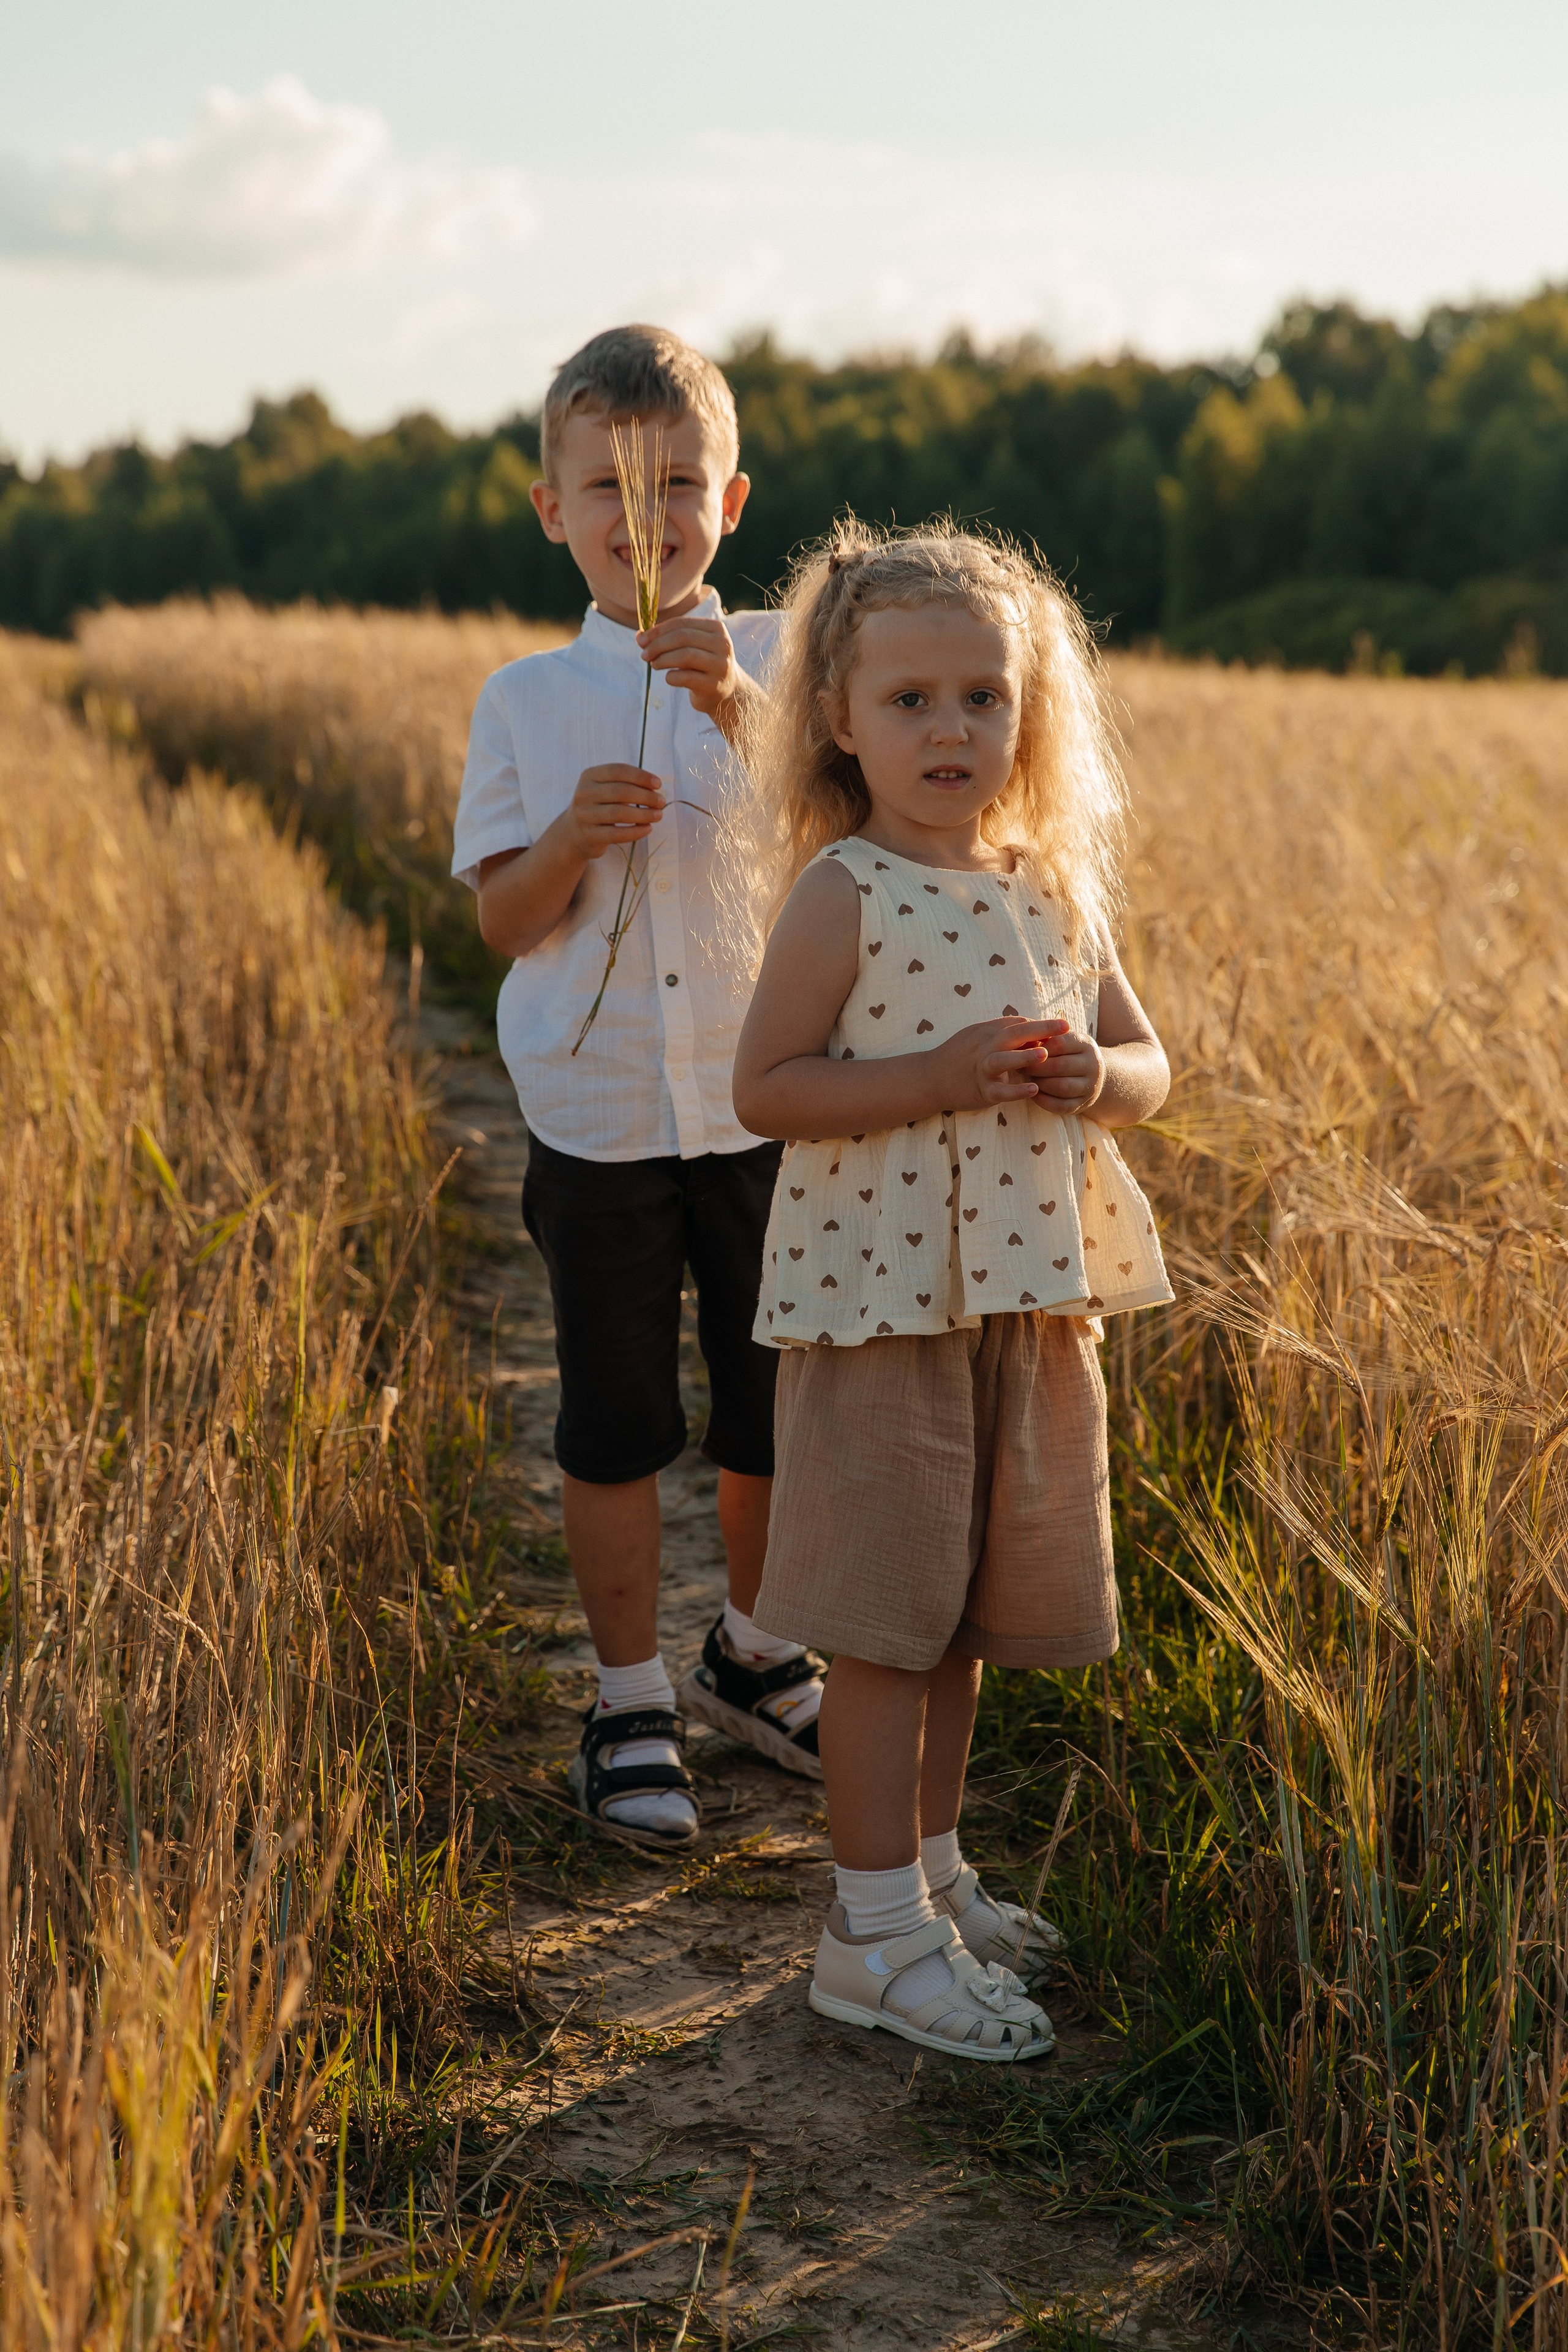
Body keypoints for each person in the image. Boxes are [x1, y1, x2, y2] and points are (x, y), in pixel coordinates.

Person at [731, 522, 1173, 2059]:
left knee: (965, 1613)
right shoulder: (842, 889)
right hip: (881, 1303)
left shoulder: (1051, 881)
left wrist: (1089, 1074)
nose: (949, 729)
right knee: (879, 1624)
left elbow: (1148, 1067)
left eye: (982, 696)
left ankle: (929, 1876)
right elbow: (769, 1087)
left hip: (1024, 1299)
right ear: (839, 720)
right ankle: (864, 1937)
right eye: (909, 699)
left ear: (1025, 715)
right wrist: (925, 1075)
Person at [452, 325, 826, 1850]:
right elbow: (500, 919)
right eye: (604, 485)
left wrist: (743, 718)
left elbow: (840, 863)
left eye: (675, 481)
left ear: (728, 504)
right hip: (599, 1117)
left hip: (764, 1107)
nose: (642, 513)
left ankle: (754, 1655)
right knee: (613, 1423)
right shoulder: (527, 703)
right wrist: (565, 848)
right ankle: (624, 1698)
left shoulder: (790, 674)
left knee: (772, 1418)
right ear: (552, 513)